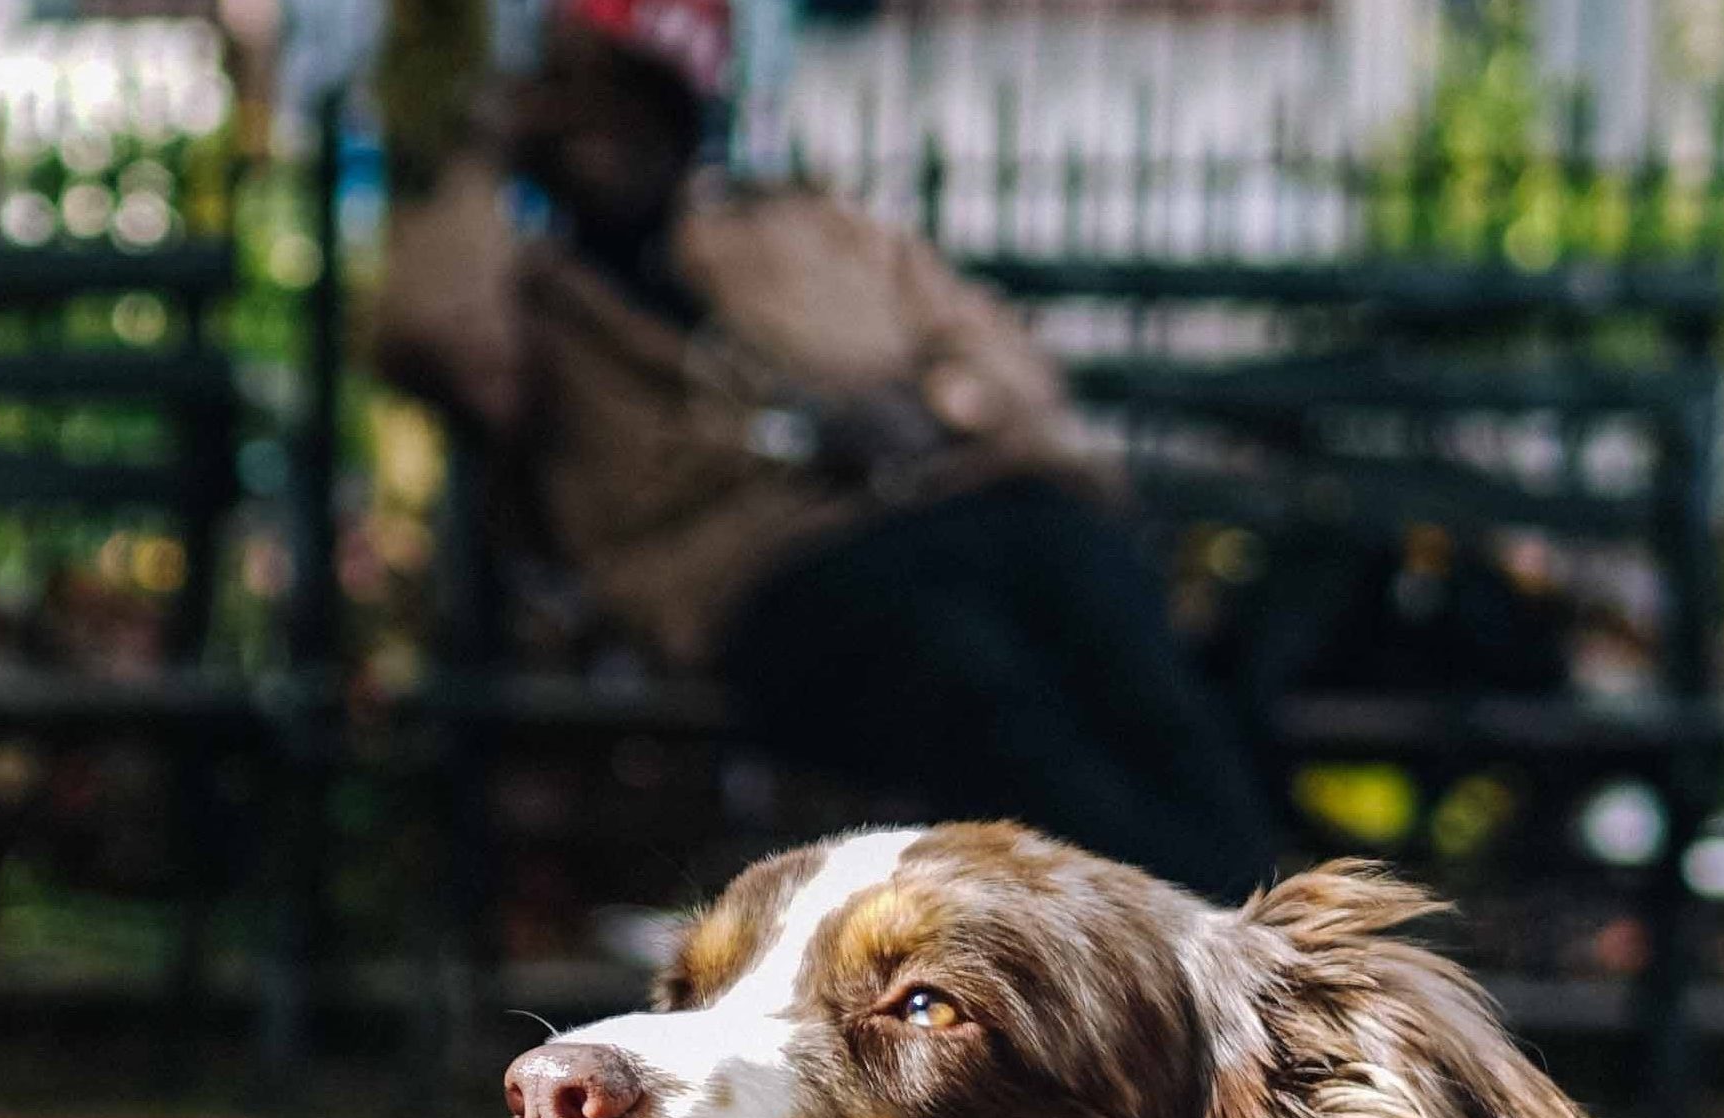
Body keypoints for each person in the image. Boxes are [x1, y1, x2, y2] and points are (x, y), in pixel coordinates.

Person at [371, 0, 1277, 901]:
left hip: (956, 501)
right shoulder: (532, 299)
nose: (598, 128)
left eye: (623, 95)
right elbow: (429, 336)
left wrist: (936, 409)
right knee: (970, 679)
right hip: (763, 574)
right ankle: (1176, 923)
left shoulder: (805, 231)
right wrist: (478, 158)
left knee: (1110, 621)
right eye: (568, 96)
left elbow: (996, 353)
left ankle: (1229, 916)